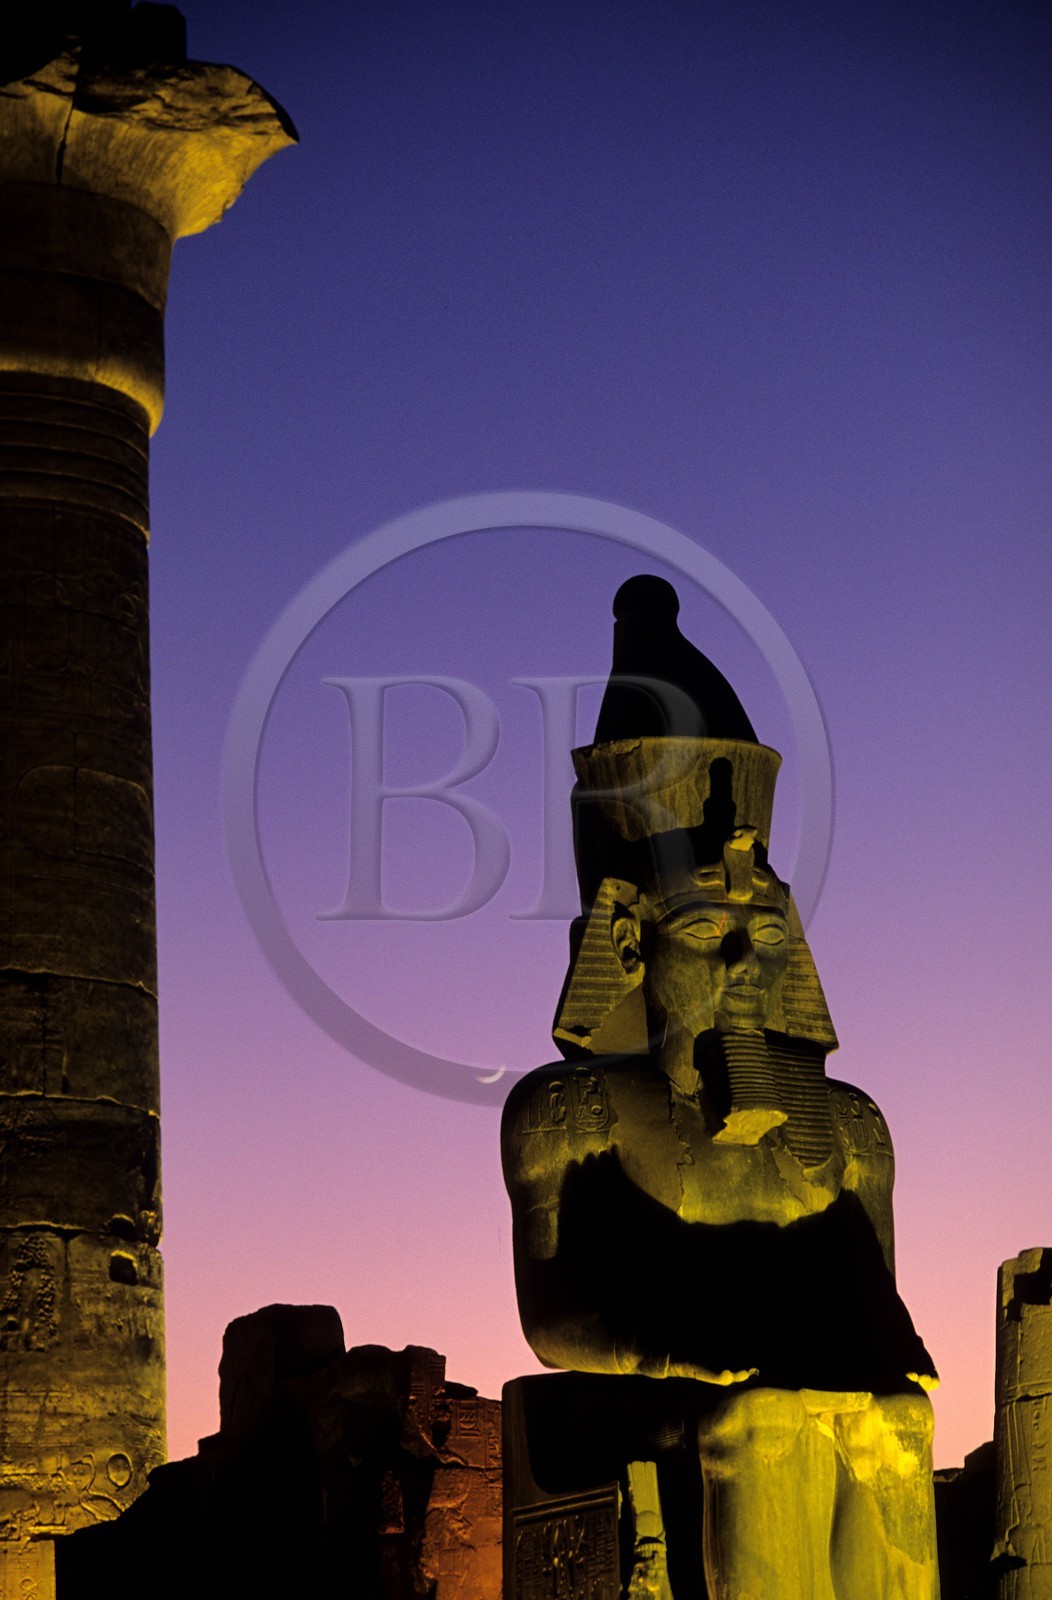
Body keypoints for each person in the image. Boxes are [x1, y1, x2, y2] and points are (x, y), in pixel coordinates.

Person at [501, 578, 940, 1599]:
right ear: (628, 941)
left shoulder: (852, 1127)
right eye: (706, 930)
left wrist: (880, 1362)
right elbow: (550, 1322)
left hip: (782, 1375)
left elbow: (875, 1310)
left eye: (767, 933)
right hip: (646, 1387)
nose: (745, 963)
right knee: (759, 1417)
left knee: (901, 1425)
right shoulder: (567, 1113)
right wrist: (673, 1350)